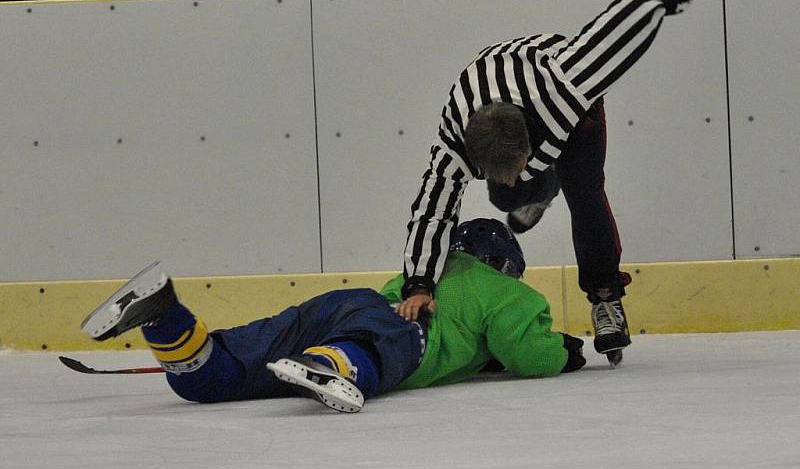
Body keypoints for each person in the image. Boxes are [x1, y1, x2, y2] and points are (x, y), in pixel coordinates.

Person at [399, 0, 692, 363]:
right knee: (505, 196)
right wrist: (419, 283)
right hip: (498, 97)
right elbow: (433, 209)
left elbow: (614, 32)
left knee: (585, 192)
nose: (506, 175)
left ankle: (606, 296)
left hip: (564, 108)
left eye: (516, 168)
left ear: (530, 149)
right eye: (493, 171)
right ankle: (542, 187)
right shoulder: (454, 137)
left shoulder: (567, 85)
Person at [80, 219, 586, 413]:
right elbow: (526, 352)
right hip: (390, 332)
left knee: (210, 377)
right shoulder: (507, 292)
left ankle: (164, 317)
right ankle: (335, 366)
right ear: (505, 265)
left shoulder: (422, 271)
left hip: (343, 306)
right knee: (390, 342)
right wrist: (565, 350)